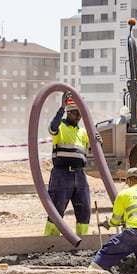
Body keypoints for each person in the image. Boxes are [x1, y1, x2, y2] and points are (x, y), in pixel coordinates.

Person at [44, 91, 103, 236]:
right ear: (69, 113)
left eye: (80, 113)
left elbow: (95, 151)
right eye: (75, 113)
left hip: (80, 174)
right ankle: (50, 242)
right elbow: (52, 127)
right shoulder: (61, 128)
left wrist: (98, 143)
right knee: (56, 208)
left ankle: (81, 240)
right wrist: (62, 107)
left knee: (84, 209)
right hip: (61, 174)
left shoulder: (82, 132)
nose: (78, 116)